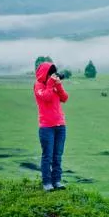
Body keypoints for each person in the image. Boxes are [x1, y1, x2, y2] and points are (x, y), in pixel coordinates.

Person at [33, 61, 70, 192]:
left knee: (57, 155)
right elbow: (47, 98)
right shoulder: (38, 86)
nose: (52, 76)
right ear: (45, 74)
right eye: (50, 73)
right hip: (46, 127)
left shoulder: (53, 85)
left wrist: (58, 85)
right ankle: (47, 182)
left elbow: (65, 98)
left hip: (60, 125)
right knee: (47, 156)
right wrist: (50, 84)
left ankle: (57, 181)